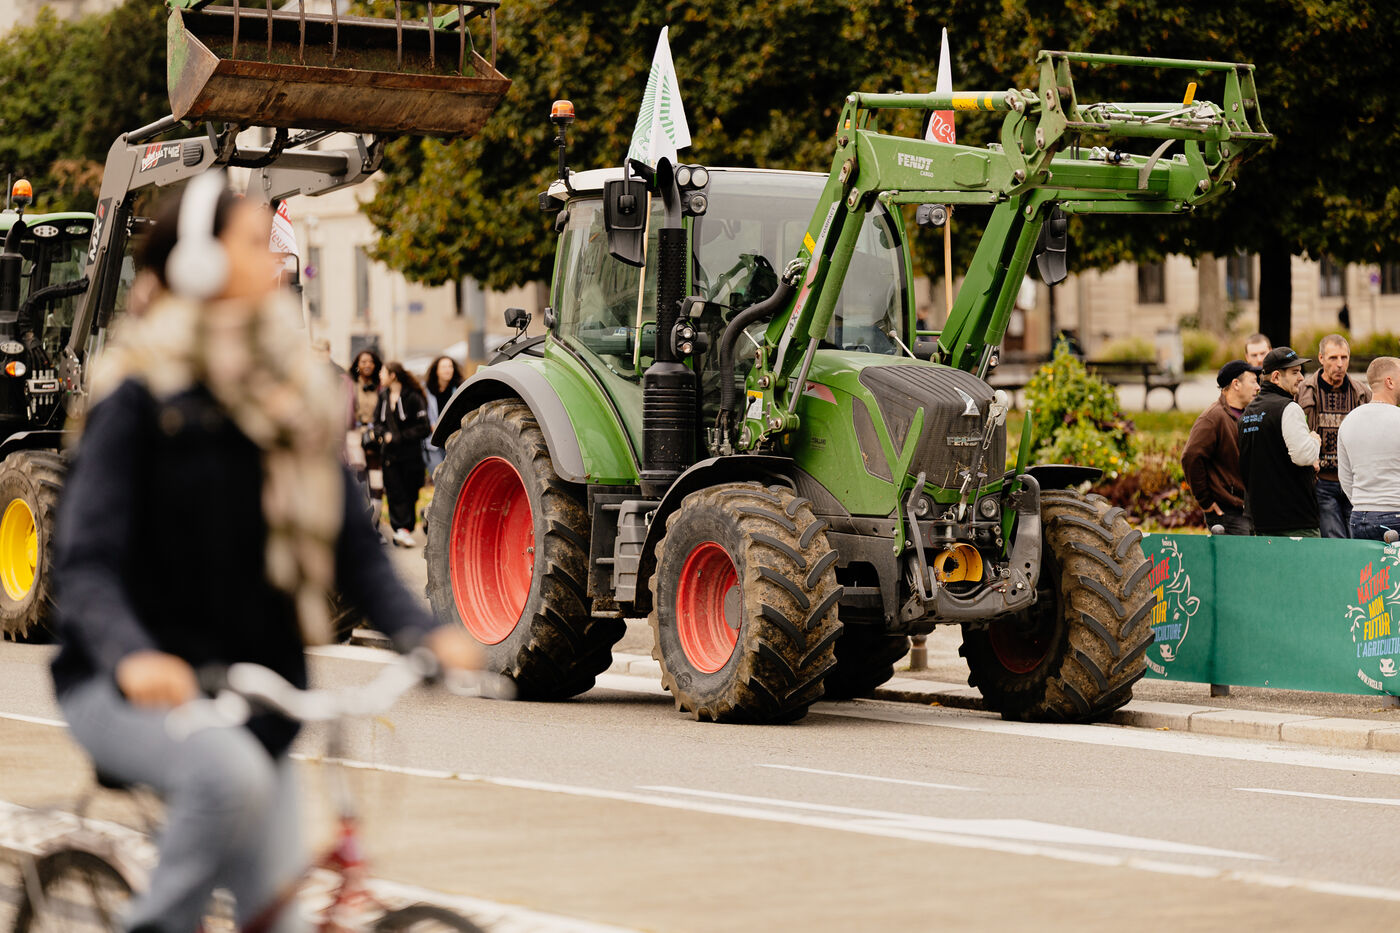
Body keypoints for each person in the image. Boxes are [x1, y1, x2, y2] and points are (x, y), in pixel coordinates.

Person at [50, 172, 480, 933]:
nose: (275, 257)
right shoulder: (139, 396)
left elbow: (354, 545)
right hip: (126, 687)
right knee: (226, 775)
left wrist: (421, 630)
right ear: (197, 264)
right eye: (254, 242)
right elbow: (86, 563)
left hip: (257, 700)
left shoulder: (290, 396)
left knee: (275, 917)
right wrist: (133, 655)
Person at [1239, 346, 1323, 537]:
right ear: (1276, 377)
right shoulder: (1289, 408)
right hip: (1295, 519)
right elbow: (1304, 456)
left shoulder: (1248, 413)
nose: (1301, 378)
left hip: (1260, 519)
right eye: (1295, 372)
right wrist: (1314, 441)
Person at [1298, 334, 1372, 537]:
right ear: (1321, 358)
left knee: (1357, 536)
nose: (1339, 364)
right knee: (1334, 537)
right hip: (1322, 480)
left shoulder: (1361, 393)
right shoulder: (1305, 391)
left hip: (1354, 481)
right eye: (1333, 358)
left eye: (1344, 357)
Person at [1182, 359, 1261, 535]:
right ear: (1236, 384)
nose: (1258, 387)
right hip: (1228, 513)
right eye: (1253, 382)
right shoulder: (1213, 418)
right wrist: (1205, 501)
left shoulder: (1249, 415)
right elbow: (1191, 457)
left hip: (1249, 510)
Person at [1337, 356, 1400, 541]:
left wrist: (1364, 502)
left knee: (1367, 562)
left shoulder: (1349, 421)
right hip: (1395, 513)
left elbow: (1345, 477)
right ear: (1390, 382)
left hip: (1359, 517)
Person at [374, 361, 431, 547]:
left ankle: (406, 529)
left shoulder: (413, 397)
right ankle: (401, 529)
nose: (380, 375)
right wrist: (383, 434)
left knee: (410, 492)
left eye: (383, 372)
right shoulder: (383, 396)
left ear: (393, 375)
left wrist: (400, 437)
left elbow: (424, 427)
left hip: (411, 455)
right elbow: (377, 423)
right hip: (389, 455)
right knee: (394, 492)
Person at [351, 348, 385, 508]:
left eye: (371, 362)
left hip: (375, 433)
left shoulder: (380, 386)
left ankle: (376, 508)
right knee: (359, 471)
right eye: (363, 362)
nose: (367, 365)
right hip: (355, 433)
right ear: (357, 364)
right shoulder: (351, 385)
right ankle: (361, 507)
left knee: (375, 472)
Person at [422, 355, 463, 479]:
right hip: (433, 441)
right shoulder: (426, 390)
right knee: (438, 477)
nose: (448, 370)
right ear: (436, 371)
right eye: (444, 367)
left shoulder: (459, 388)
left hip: (454, 440)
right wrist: (431, 425)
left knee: (454, 478)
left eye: (450, 366)